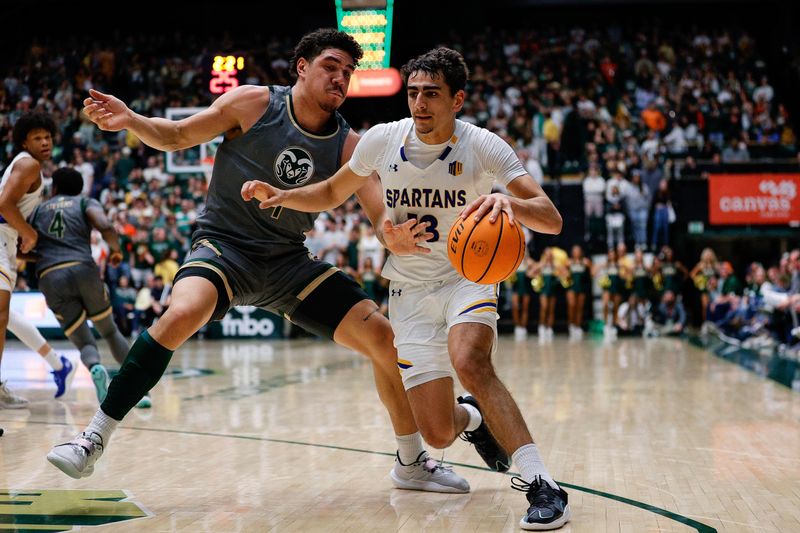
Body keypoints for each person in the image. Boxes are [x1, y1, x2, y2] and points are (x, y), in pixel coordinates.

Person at [46, 29, 467, 495]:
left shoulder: (348, 143)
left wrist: (394, 232)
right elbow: (179, 134)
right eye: (331, 66)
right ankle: (92, 439)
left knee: (384, 340)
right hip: (225, 248)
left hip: (288, 263)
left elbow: (377, 209)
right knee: (181, 313)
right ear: (302, 67)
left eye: (348, 72)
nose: (341, 78)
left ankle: (410, 463)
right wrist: (131, 120)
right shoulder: (253, 104)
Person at [242, 47, 569, 531]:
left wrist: (508, 202)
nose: (419, 104)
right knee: (437, 433)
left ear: (457, 100)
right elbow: (333, 191)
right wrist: (284, 195)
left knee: (469, 360)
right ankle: (473, 419)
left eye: (432, 94)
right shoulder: (382, 140)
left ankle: (542, 483)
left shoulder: (485, 146)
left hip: (467, 277)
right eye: (413, 92)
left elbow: (553, 218)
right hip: (410, 291)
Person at [28, 167, 150, 407]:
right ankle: (138, 392)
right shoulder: (84, 202)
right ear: (79, 188)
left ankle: (95, 367)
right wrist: (115, 250)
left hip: (50, 275)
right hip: (83, 267)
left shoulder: (38, 211)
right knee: (110, 331)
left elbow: (23, 248)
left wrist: (47, 256)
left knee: (84, 342)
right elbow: (105, 225)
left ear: (54, 189)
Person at [0, 112, 75, 408]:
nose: (45, 142)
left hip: (6, 242)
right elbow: (4, 205)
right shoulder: (29, 164)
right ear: (24, 142)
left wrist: (24, 245)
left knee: (4, 315)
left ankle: (58, 364)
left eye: (48, 137)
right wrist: (29, 234)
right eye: (37, 138)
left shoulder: (28, 167)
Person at [565, 244, 591, 339]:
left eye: (578, 250)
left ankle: (577, 326)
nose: (576, 252)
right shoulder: (569, 262)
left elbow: (592, 272)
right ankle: (571, 325)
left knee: (580, 308)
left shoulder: (585, 261)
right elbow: (562, 272)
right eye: (575, 251)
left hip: (582, 287)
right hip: (571, 287)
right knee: (572, 305)